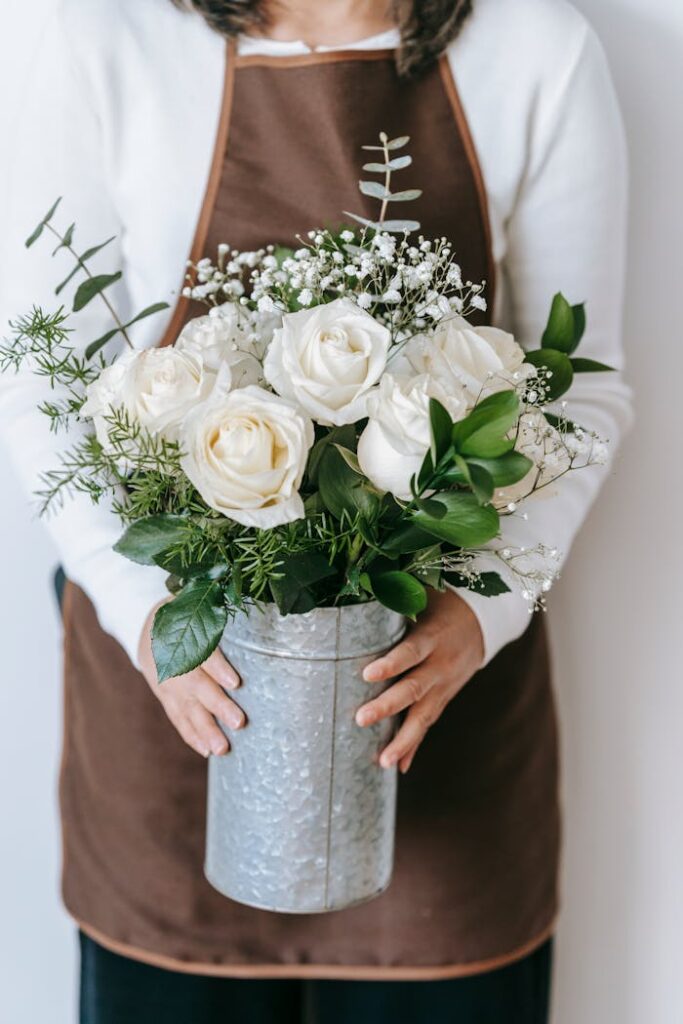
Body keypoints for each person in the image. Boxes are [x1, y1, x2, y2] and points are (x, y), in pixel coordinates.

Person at [0, 0, 632, 1021]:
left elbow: (579, 396)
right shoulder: (108, 40)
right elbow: (38, 380)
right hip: (178, 709)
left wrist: (483, 610)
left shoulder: (537, 51)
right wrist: (143, 606)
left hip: (436, 711)